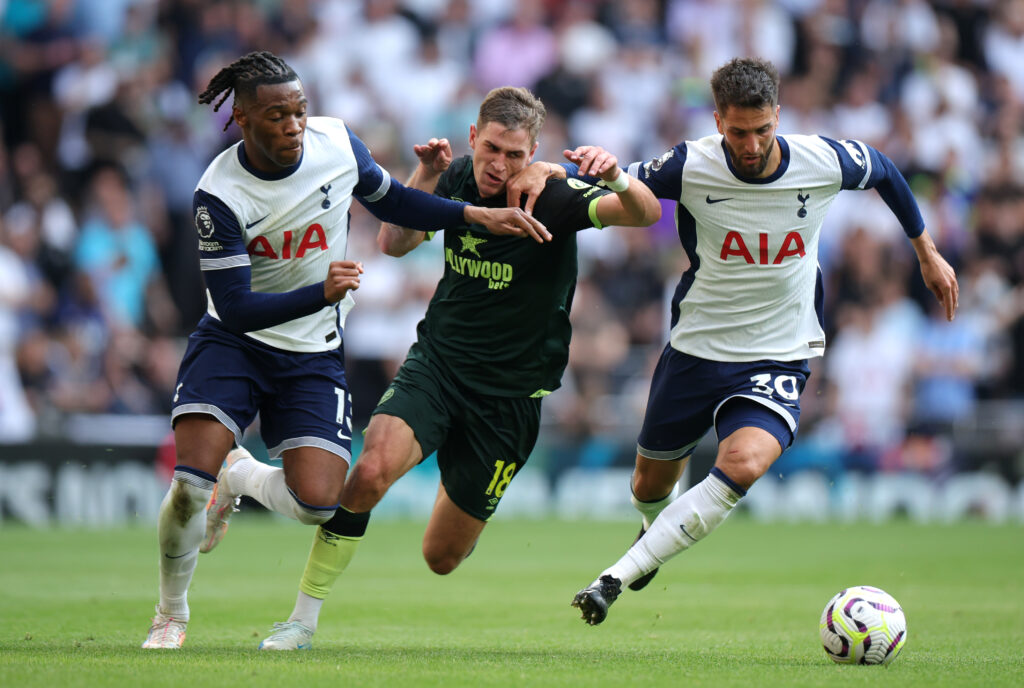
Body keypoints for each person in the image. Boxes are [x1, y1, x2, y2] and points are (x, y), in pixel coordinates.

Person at [204, 85, 661, 650]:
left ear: (534, 151)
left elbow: (645, 212)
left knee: (442, 557)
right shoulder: (457, 178)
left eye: (515, 155)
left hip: (510, 399)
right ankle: (300, 621)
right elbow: (396, 242)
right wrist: (423, 175)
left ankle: (254, 477)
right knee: (368, 474)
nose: (499, 165)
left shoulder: (554, 195)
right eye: (491, 148)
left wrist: (615, 176)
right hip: (438, 367)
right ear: (474, 137)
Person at [507, 56, 959, 626]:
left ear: (779, 116)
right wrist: (550, 168)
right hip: (698, 347)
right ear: (718, 119)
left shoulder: (822, 160)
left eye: (763, 130)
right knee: (650, 484)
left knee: (741, 464)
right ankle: (654, 532)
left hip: (779, 350)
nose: (751, 145)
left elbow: (888, 171)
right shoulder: (689, 164)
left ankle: (612, 579)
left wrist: (926, 250)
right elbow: (619, 188)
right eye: (738, 132)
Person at [141, 51, 550, 650]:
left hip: (312, 354)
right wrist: (320, 291)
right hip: (235, 344)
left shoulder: (337, 143)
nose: (293, 125)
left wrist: (475, 216)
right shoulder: (218, 194)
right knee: (188, 488)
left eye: (300, 111)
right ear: (243, 121)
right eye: (277, 115)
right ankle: (171, 614)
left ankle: (243, 476)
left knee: (318, 503)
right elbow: (233, 305)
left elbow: (395, 207)